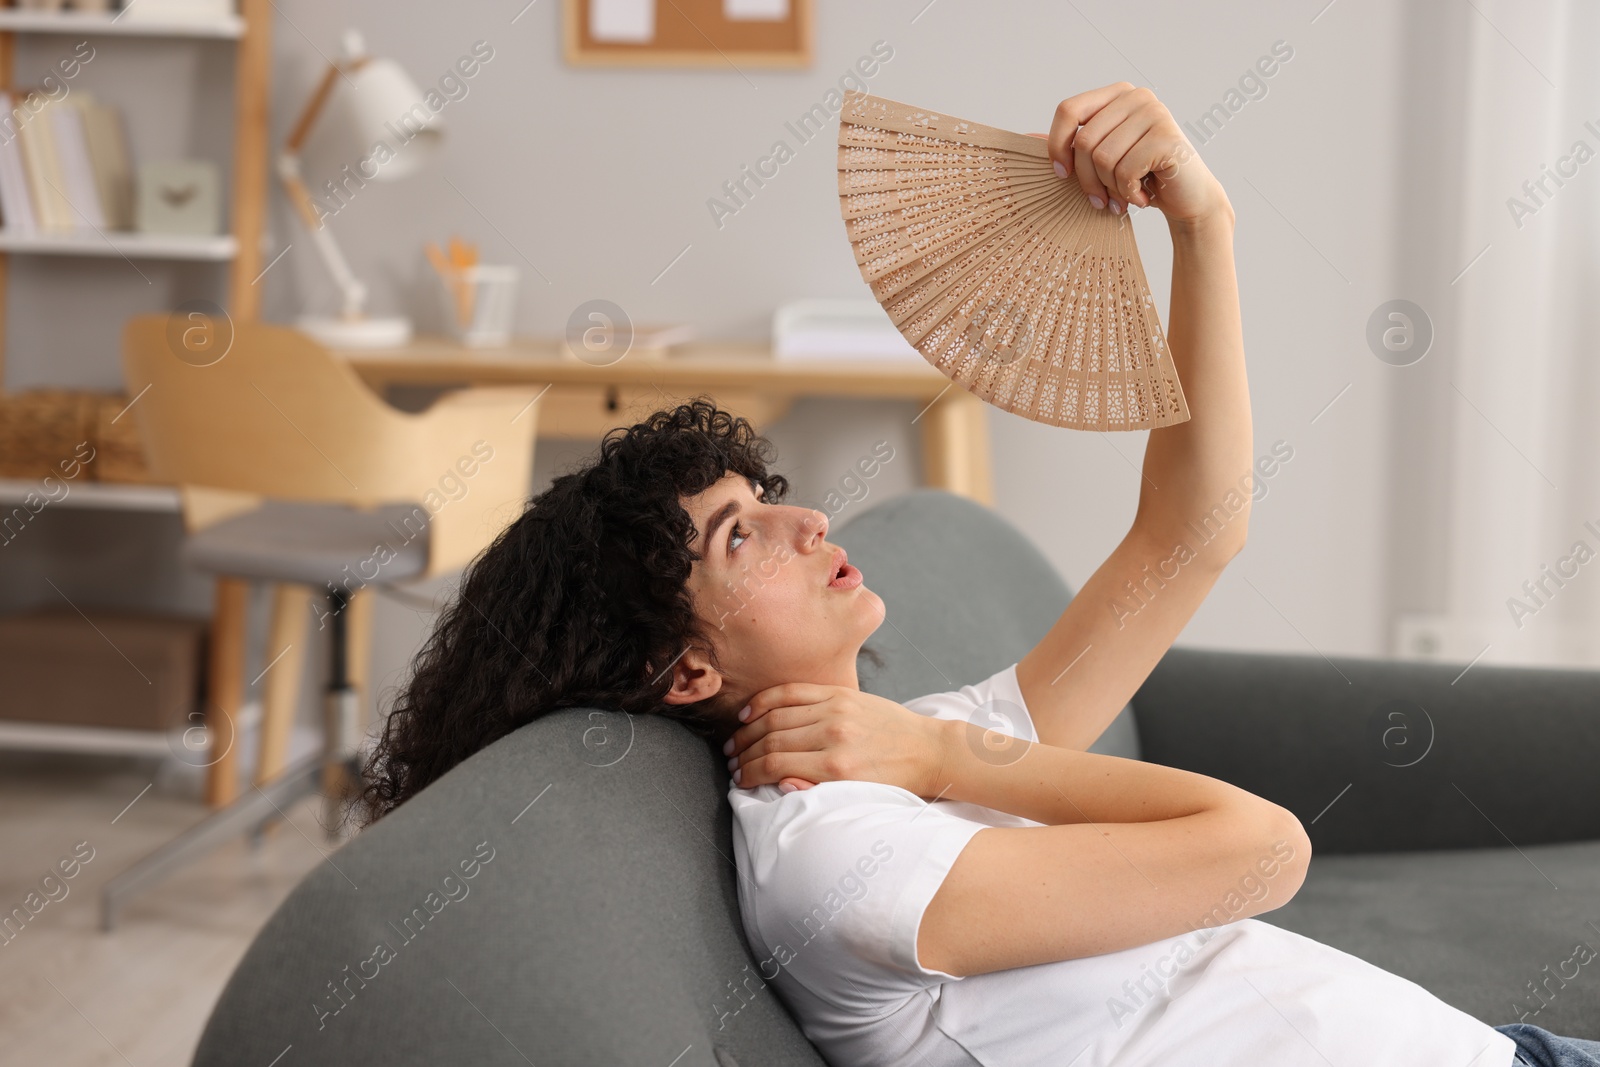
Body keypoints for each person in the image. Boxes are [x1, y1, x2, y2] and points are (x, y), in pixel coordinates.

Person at [354, 84, 1600, 1066]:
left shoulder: (892, 753)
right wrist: (942, 759)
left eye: (769, 499)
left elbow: (1191, 532)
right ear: (683, 666)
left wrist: (1200, 223)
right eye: (739, 535)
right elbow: (1261, 847)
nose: (806, 521)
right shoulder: (842, 863)